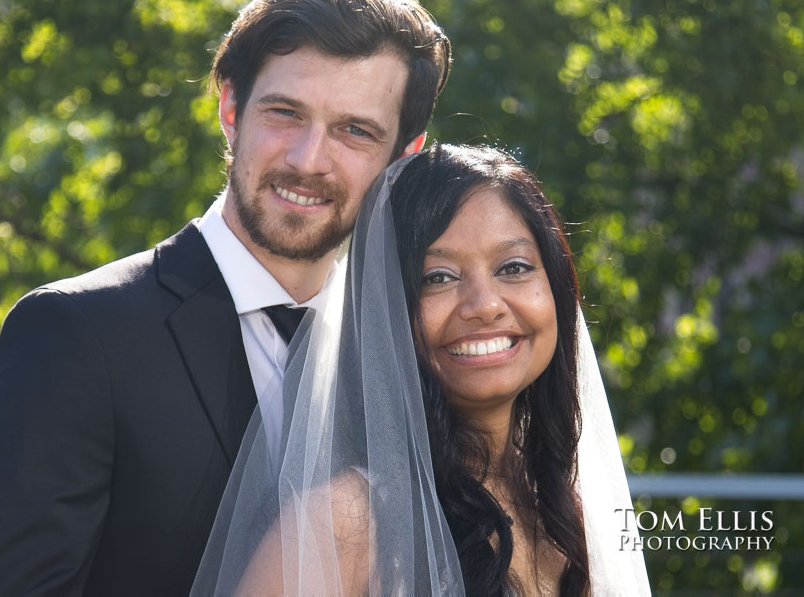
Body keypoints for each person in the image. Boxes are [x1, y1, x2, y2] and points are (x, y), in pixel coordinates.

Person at [0, 0, 451, 594]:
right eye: (285, 113)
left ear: (403, 156)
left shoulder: (412, 355)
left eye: (354, 130)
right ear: (231, 107)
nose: (308, 159)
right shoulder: (74, 335)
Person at [193, 143, 650, 594]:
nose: (485, 306)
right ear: (382, 313)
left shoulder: (566, 507)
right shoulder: (340, 524)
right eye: (438, 277)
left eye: (513, 267)